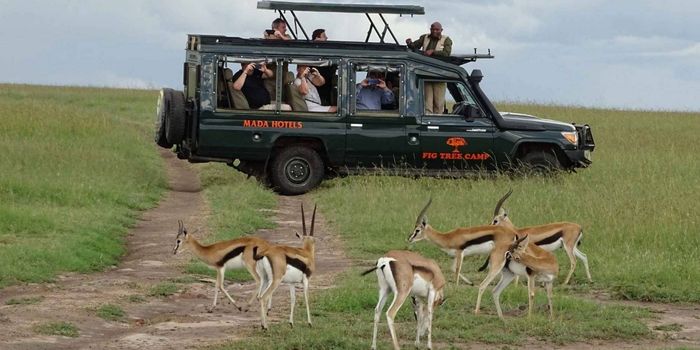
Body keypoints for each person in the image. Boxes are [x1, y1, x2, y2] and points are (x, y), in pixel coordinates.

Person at [406, 22, 452, 114]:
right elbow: (415, 46)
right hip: (425, 74)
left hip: (439, 75)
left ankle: (438, 122)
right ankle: (429, 123)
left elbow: (446, 54)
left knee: (439, 104)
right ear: (430, 29)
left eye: (437, 30)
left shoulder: (446, 40)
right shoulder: (425, 37)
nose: (434, 31)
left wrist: (433, 52)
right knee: (427, 104)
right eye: (433, 29)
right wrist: (410, 43)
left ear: (441, 30)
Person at [312, 29, 336, 106]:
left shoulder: (328, 54)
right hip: (318, 93)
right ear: (317, 38)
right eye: (324, 36)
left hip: (328, 90)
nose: (327, 38)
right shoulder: (311, 55)